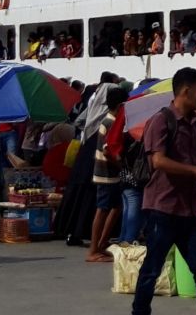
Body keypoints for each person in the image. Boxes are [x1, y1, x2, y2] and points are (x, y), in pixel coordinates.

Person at [131, 67, 196, 315]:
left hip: (190, 209)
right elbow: (158, 161)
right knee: (152, 268)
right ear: (186, 91)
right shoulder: (161, 121)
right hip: (162, 208)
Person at [87, 85, 128, 262]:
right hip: (106, 173)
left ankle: (101, 244)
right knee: (103, 209)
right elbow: (108, 151)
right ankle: (94, 249)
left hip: (107, 172)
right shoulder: (111, 122)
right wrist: (121, 165)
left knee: (115, 206)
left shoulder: (108, 120)